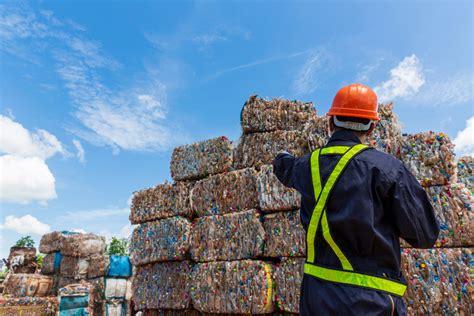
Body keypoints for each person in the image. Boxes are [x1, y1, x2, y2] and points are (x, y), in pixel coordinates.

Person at [272, 83, 439, 315]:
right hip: (371, 301)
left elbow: (284, 168)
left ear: (330, 122)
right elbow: (425, 235)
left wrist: (281, 156)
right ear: (371, 128)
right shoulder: (388, 169)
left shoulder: (305, 166)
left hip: (316, 297)